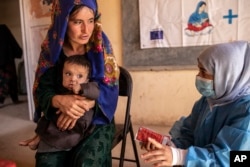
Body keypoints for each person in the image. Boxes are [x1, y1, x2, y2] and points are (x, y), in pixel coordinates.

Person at [20, 0, 120, 166]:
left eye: (90, 20)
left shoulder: (101, 46)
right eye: (77, 22)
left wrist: (80, 106)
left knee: (86, 162)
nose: (86, 30)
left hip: (96, 119)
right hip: (59, 119)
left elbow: (109, 90)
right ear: (63, 21)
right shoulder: (51, 49)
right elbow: (43, 89)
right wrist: (60, 101)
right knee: (47, 162)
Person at [140, 40, 250, 166]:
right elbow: (190, 133)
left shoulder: (246, 112)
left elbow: (230, 159)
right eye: (199, 70)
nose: (198, 76)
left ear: (226, 75)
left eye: (204, 72)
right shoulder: (208, 101)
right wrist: (169, 146)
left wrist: (178, 157)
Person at [20, 55, 99, 151]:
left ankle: (48, 141)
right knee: (45, 119)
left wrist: (82, 88)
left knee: (62, 135)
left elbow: (96, 92)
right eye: (68, 74)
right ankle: (40, 137)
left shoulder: (89, 86)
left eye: (79, 76)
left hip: (78, 123)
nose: (73, 79)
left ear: (87, 79)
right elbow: (45, 94)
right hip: (58, 116)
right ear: (62, 74)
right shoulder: (60, 88)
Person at [0, 24, 23, 107]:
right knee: (9, 79)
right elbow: (11, 40)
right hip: (7, 58)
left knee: (6, 79)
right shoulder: (3, 28)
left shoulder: (3, 28)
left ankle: (13, 98)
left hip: (6, 58)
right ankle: (14, 98)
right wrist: (18, 51)